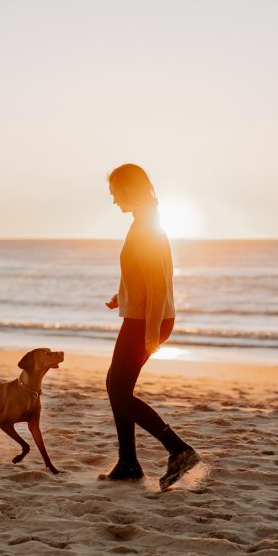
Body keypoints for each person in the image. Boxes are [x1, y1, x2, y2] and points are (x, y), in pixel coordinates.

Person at [101, 163, 201, 490]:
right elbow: (143, 276)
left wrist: (150, 333)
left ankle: (179, 450)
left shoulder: (146, 227)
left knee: (119, 391)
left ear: (131, 189)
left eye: (116, 192)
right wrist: (123, 296)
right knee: (115, 385)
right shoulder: (144, 224)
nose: (114, 200)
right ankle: (128, 463)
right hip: (141, 315)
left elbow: (158, 284)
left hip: (148, 320)